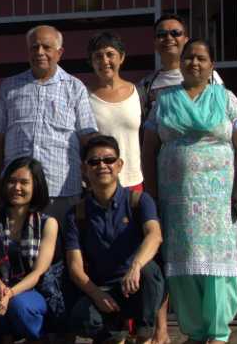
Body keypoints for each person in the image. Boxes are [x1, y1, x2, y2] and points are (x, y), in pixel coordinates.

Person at [143, 38, 237, 344]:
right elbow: (149, 147)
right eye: (189, 57)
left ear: (211, 66)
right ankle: (194, 330)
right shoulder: (164, 101)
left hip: (217, 201)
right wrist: (151, 194)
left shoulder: (226, 98)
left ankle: (217, 332)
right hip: (175, 200)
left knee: (216, 263)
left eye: (201, 58)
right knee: (182, 264)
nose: (194, 63)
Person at [135, 14, 222, 344]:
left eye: (175, 33)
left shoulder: (213, 81)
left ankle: (209, 328)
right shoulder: (147, 85)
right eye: (161, 34)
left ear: (187, 39)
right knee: (166, 257)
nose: (168, 38)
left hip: (208, 192)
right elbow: (146, 136)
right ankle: (162, 329)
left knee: (205, 259)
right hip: (166, 185)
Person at [0, 25, 97, 226]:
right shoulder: (10, 87)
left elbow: (87, 137)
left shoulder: (75, 87)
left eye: (46, 47)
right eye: (34, 47)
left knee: (63, 249)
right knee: (19, 252)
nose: (39, 52)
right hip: (17, 191)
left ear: (59, 52)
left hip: (62, 190)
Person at [66, 136, 164, 344]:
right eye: (94, 162)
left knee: (150, 273)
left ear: (119, 165)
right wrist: (96, 294)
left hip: (136, 286)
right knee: (82, 315)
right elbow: (75, 268)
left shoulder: (139, 201)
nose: (102, 165)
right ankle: (114, 335)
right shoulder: (77, 214)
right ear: (84, 169)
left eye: (109, 160)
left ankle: (144, 336)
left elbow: (155, 235)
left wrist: (135, 266)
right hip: (103, 290)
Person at [0, 157, 61, 344]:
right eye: (12, 181)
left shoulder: (47, 223)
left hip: (33, 290)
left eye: (24, 182)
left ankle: (37, 336)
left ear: (36, 186)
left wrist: (9, 294)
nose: (16, 187)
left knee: (19, 306)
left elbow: (39, 272)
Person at [85, 32, 143, 190]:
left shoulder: (139, 93)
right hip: (99, 186)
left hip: (134, 182)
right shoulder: (83, 98)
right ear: (91, 61)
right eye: (98, 56)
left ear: (122, 57)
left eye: (110, 54)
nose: (105, 61)